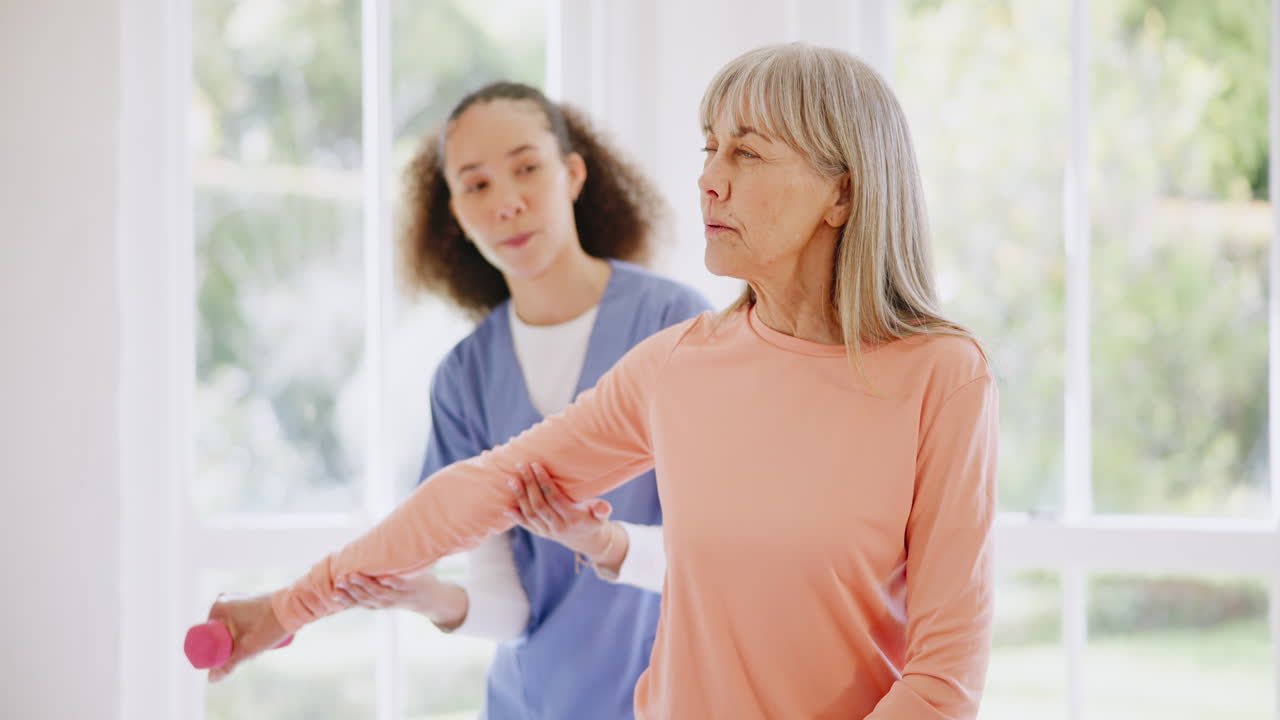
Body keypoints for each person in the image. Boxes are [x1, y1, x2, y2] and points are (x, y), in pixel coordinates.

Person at [205, 43, 999, 720]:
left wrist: (609, 546)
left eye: (746, 152)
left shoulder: (940, 376)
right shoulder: (678, 365)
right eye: (709, 149)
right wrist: (285, 608)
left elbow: (943, 675)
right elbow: (483, 487)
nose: (709, 180)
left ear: (845, 191)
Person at [331, 81, 709, 720]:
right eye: (475, 185)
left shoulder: (678, 325)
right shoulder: (464, 377)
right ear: (454, 212)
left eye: (527, 168)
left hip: (674, 699)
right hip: (532, 702)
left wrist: (604, 540)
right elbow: (510, 605)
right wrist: (428, 597)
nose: (506, 202)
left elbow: (729, 556)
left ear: (572, 174)